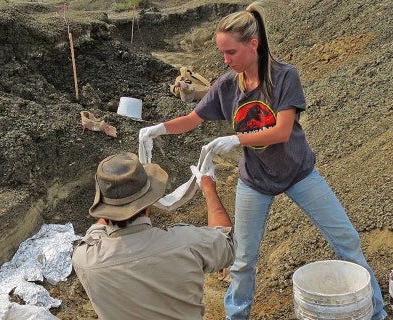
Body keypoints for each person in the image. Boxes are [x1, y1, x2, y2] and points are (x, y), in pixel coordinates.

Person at [138, 2, 387, 320]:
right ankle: (236, 315)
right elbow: (192, 119)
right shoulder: (226, 85)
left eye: (231, 53)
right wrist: (157, 130)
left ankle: (376, 312)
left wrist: (236, 139)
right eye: (222, 53)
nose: (226, 60)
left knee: (347, 240)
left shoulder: (284, 77)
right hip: (255, 180)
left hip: (298, 172)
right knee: (243, 259)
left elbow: (282, 131)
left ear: (253, 45)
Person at [72, 152, 235, 319]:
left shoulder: (85, 260)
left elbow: (97, 230)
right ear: (149, 202)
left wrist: (114, 203)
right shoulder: (189, 243)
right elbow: (227, 242)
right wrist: (209, 190)